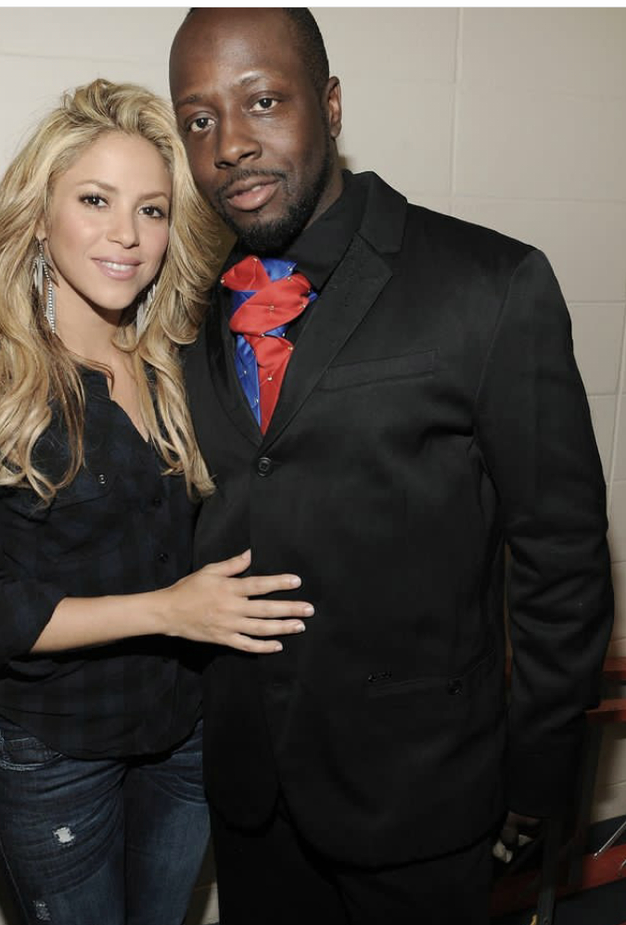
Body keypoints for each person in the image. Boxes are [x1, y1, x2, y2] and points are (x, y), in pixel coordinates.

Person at [168, 9, 614, 924]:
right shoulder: (192, 313)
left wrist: (539, 776)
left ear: (331, 105)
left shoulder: (489, 283)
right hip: (252, 800)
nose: (230, 145)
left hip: (423, 800)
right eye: (200, 119)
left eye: (263, 101)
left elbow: (562, 554)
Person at [0, 78, 314, 925]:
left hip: (185, 731)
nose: (127, 234)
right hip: (57, 750)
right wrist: (170, 609)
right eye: (96, 200)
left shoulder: (184, 364)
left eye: (152, 209)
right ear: (39, 215)